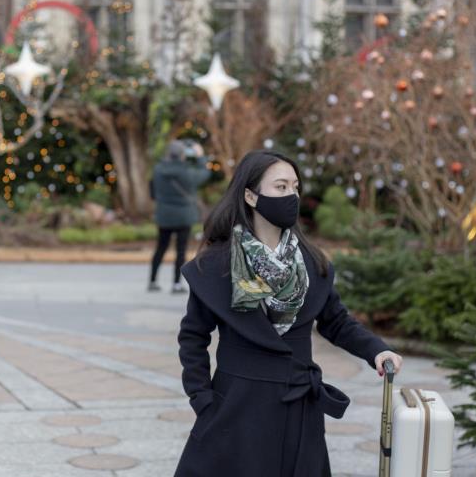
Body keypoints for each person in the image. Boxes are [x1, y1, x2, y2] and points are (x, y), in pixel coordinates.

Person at [174, 150, 404, 477]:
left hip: (297, 403)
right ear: (251, 196)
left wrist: (377, 350)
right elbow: (193, 336)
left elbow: (336, 321)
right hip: (236, 405)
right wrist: (202, 398)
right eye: (280, 187)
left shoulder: (312, 262)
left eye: (295, 187)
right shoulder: (217, 266)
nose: (291, 196)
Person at [149, 140, 210, 293]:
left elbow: (152, 192)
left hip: (164, 215)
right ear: (183, 155)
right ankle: (176, 284)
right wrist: (200, 156)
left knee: (160, 248)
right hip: (184, 216)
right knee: (181, 250)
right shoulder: (187, 172)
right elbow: (205, 173)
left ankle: (152, 281)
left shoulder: (158, 170)